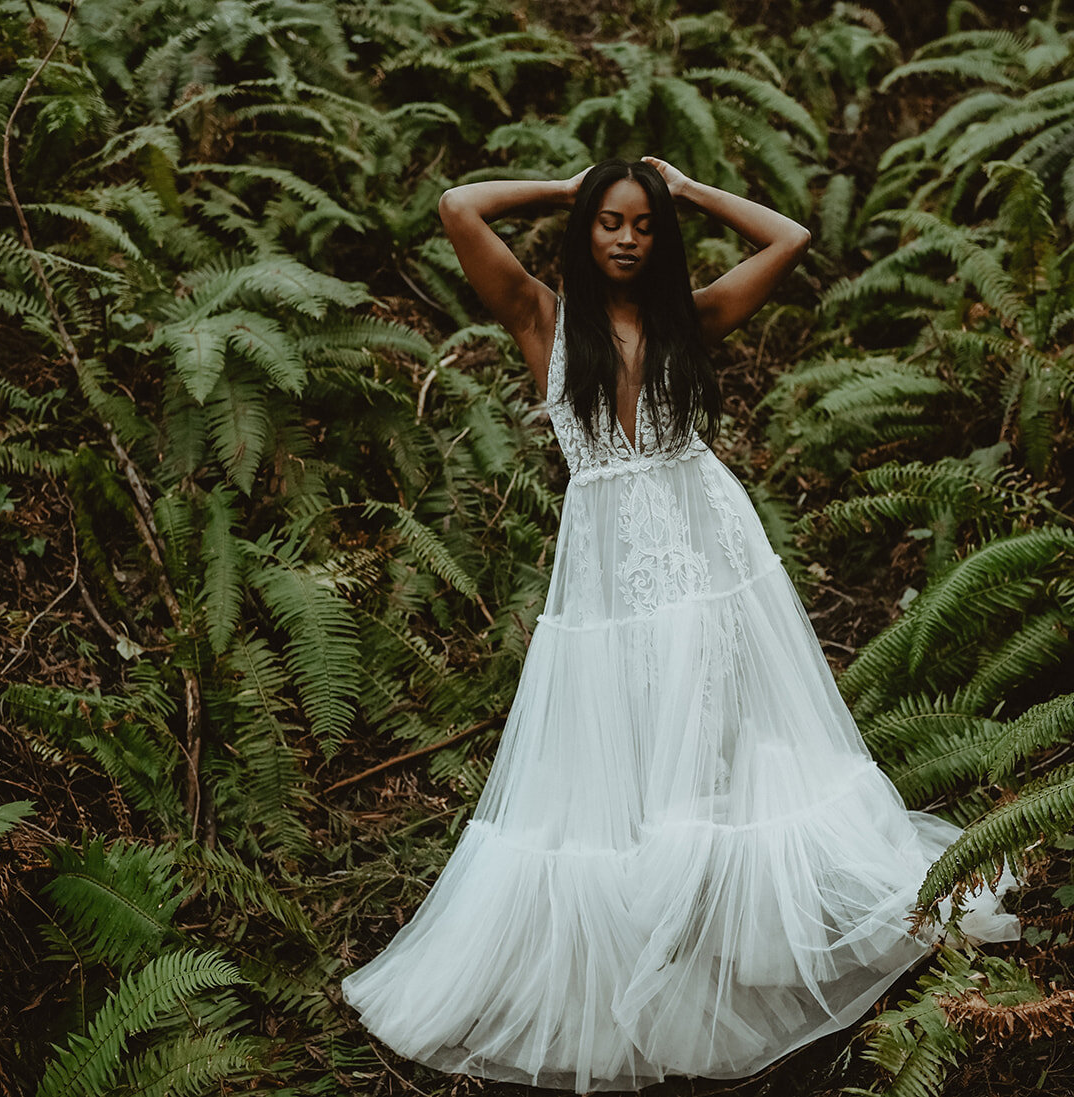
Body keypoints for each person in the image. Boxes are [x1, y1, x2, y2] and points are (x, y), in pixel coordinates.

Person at [341, 156, 1018, 1094]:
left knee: (720, 744)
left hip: (714, 557)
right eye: (610, 222)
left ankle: (739, 945)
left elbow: (791, 238)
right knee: (623, 754)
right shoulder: (544, 317)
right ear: (586, 230)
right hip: (610, 574)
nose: (626, 238)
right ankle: (656, 962)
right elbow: (456, 205)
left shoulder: (686, 319)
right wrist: (563, 187)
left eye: (643, 225)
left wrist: (691, 191)